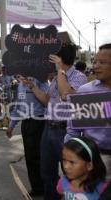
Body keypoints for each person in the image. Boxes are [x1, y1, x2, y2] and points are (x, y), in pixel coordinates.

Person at [27, 43, 88, 200]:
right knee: (47, 172)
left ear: (60, 58)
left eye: (53, 57)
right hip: (49, 128)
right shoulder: (56, 78)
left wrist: (60, 70)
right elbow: (47, 100)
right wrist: (32, 87)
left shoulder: (79, 77)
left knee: (70, 172)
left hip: (66, 130)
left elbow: (65, 94)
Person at [65, 43, 111, 181]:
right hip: (94, 159)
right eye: (94, 61)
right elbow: (73, 130)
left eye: (102, 62)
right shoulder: (86, 91)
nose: (95, 66)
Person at [6, 75, 48, 197]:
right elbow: (18, 106)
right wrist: (11, 125)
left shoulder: (41, 81)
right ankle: (36, 187)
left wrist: (32, 86)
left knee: (42, 157)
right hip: (27, 123)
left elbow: (48, 102)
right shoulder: (20, 85)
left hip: (40, 121)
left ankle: (48, 186)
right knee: (30, 158)